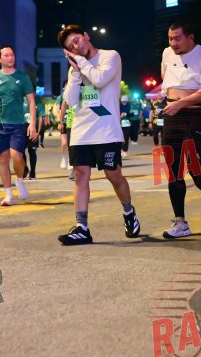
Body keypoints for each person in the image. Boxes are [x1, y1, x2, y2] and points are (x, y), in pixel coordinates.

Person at [56, 24, 140, 244]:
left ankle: (128, 212)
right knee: (80, 175)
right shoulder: (75, 68)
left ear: (86, 36)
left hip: (106, 130)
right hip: (81, 131)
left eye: (76, 40)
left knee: (114, 176)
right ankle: (82, 227)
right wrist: (75, 72)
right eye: (70, 47)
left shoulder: (110, 56)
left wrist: (80, 63)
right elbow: (71, 100)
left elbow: (100, 79)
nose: (76, 47)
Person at [158, 20, 201, 238]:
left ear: (190, 37)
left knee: (195, 169)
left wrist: (181, 102)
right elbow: (165, 77)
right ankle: (180, 222)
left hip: (195, 115)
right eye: (170, 38)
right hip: (172, 113)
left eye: (177, 38)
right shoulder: (167, 53)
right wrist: (170, 101)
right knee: (173, 167)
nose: (172, 43)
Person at [0, 46, 37, 206]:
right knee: (3, 159)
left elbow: (31, 101)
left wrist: (32, 123)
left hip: (18, 124)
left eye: (12, 55)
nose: (10, 57)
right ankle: (9, 195)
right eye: (6, 55)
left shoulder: (22, 77)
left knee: (17, 156)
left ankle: (19, 180)